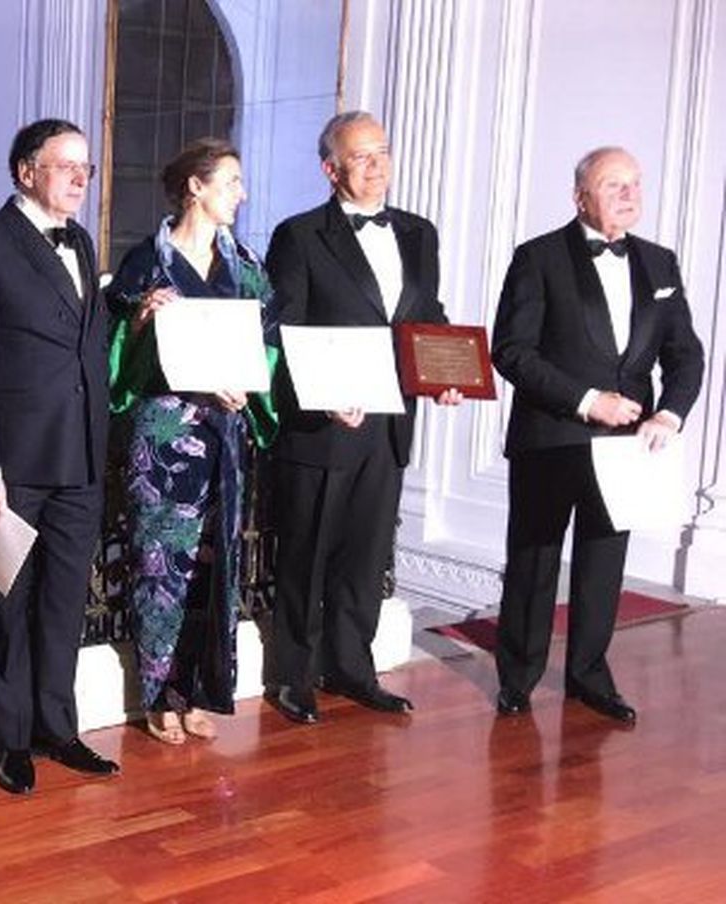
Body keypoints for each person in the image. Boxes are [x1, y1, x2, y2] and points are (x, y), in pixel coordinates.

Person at [491, 147, 703, 723]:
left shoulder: (660, 263)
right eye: (614, 185)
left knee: (603, 564)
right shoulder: (537, 258)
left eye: (635, 183)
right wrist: (588, 402)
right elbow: (512, 352)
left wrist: (669, 415)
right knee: (535, 559)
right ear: (580, 195)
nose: (630, 194)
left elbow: (686, 354)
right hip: (552, 436)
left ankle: (589, 674)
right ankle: (518, 677)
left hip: (629, 446)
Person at [263, 111, 461, 725]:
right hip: (325, 425)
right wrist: (321, 393)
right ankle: (293, 676)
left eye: (382, 153)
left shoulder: (420, 233)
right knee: (308, 554)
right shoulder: (298, 236)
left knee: (366, 556)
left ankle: (352, 667)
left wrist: (448, 371)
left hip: (389, 420)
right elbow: (282, 326)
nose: (377, 167)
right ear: (331, 169)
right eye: (361, 157)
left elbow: (426, 314)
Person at [0, 118, 119, 795]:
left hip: (80, 459)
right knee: (4, 603)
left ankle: (57, 728)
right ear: (25, 172)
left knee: (65, 601)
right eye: (65, 165)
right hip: (10, 464)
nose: (80, 177)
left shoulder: (80, 240)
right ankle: (10, 740)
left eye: (86, 168)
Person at [105, 139, 278, 744]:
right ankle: (157, 693)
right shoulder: (143, 263)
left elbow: (269, 346)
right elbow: (111, 353)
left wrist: (250, 390)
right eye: (231, 181)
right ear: (195, 187)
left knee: (214, 568)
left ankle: (195, 689)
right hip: (164, 434)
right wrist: (139, 319)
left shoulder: (247, 266)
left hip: (223, 435)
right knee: (160, 565)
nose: (242, 194)